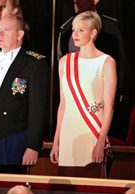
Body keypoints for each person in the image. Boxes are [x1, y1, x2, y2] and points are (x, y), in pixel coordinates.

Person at [0, 14, 48, 174]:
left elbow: (37, 110)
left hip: (13, 141)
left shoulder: (33, 64)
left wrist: (33, 146)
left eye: (6, 30)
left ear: (20, 34)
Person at [50, 11, 117, 178]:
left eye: (81, 30)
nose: (75, 35)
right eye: (73, 30)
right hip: (68, 134)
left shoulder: (106, 62)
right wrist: (56, 141)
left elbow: (109, 108)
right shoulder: (65, 61)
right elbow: (63, 104)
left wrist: (101, 141)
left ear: (93, 33)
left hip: (92, 132)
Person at [57, 0, 124, 103]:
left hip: (100, 96)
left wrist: (118, 96)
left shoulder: (110, 28)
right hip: (73, 95)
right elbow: (61, 61)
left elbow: (120, 64)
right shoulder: (65, 29)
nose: (75, 1)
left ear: (96, 0)